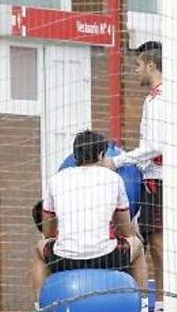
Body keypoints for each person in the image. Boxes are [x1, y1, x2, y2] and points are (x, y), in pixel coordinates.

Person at [101, 41, 177, 297]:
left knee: (166, 250)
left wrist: (116, 161)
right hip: (156, 180)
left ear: (151, 64)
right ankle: (165, 303)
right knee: (157, 249)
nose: (135, 70)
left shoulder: (164, 98)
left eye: (138, 65)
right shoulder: (159, 97)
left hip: (162, 182)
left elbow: (156, 145)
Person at [32, 130, 147, 306]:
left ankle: (40, 306)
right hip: (107, 257)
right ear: (101, 154)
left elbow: (48, 230)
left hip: (64, 259)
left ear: (75, 154)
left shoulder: (56, 179)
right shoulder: (113, 178)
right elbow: (125, 229)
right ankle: (144, 304)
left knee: (40, 248)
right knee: (137, 246)